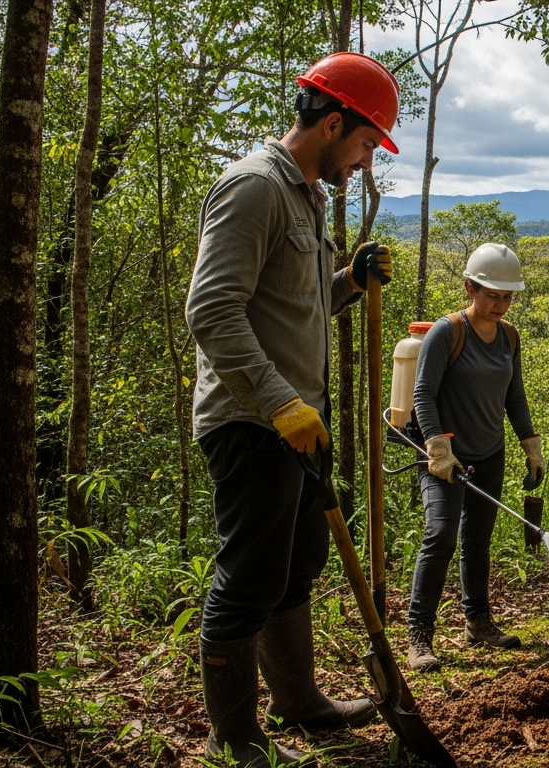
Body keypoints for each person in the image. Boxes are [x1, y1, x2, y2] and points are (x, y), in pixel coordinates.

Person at [185, 52, 400, 765]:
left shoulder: (306, 196)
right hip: (253, 421)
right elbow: (212, 310)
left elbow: (290, 307)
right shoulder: (254, 188)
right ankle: (232, 738)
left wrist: (348, 281)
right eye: (366, 144)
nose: (365, 162)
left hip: (300, 423)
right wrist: (279, 401)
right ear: (332, 123)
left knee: (296, 565)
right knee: (250, 577)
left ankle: (300, 702)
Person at [405, 243, 545, 671]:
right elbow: (422, 394)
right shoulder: (447, 332)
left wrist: (530, 444)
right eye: (492, 295)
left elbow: (514, 394)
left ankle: (478, 622)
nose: (500, 304)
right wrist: (438, 448)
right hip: (444, 456)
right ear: (470, 288)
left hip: (489, 453)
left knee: (477, 541)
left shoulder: (509, 336)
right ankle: (419, 634)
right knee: (440, 536)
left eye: (507, 297)